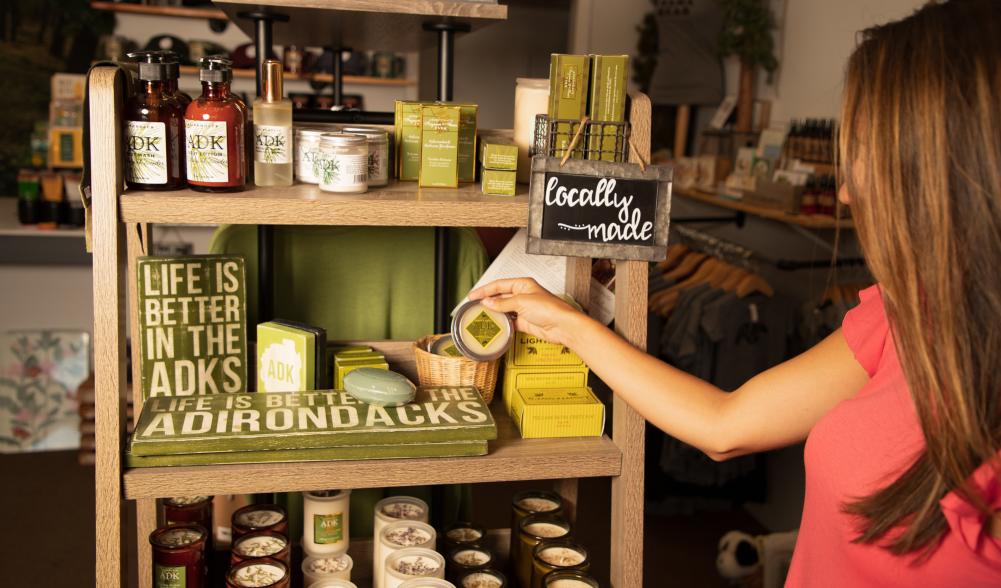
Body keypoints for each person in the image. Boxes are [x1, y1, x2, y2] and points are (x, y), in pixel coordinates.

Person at [469, 1, 1001, 585]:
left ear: (941, 169)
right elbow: (725, 425)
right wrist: (571, 323)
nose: (846, 194)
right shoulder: (906, 317)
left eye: (867, 155)